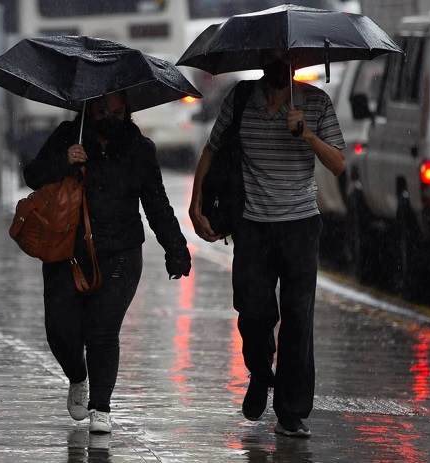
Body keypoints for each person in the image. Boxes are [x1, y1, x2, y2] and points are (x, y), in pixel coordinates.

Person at [188, 49, 346, 438]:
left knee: (297, 319)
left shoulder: (316, 102)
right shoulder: (241, 98)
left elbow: (339, 163)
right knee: (253, 314)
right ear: (263, 61)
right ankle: (261, 372)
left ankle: (290, 411)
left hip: (300, 227)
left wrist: (306, 133)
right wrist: (194, 202)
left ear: (294, 64)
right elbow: (211, 149)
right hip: (253, 228)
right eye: (274, 59)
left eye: (287, 60)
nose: (280, 66)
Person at [24, 92, 191, 434]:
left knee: (102, 330)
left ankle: (101, 406)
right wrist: (64, 160)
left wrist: (176, 248)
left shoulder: (139, 148)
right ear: (89, 107)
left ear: (127, 110)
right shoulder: (68, 135)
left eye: (117, 109)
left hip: (120, 252)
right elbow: (32, 174)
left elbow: (157, 203)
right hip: (66, 252)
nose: (109, 116)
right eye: (101, 109)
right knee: (60, 331)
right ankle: (78, 375)